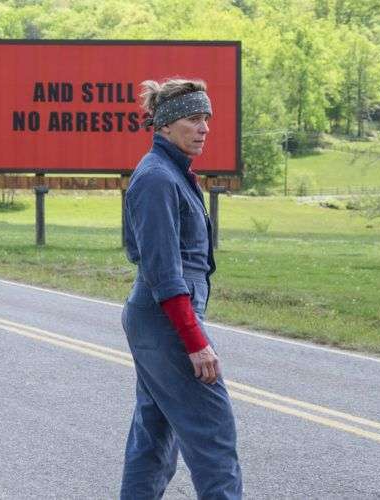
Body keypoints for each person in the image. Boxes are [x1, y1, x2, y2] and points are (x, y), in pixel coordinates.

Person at [120, 78, 242, 499]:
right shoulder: (157, 179)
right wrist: (195, 341)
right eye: (194, 118)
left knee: (154, 435)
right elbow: (164, 273)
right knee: (213, 436)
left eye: (207, 118)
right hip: (166, 318)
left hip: (159, 317)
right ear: (166, 125)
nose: (204, 127)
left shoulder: (171, 173)